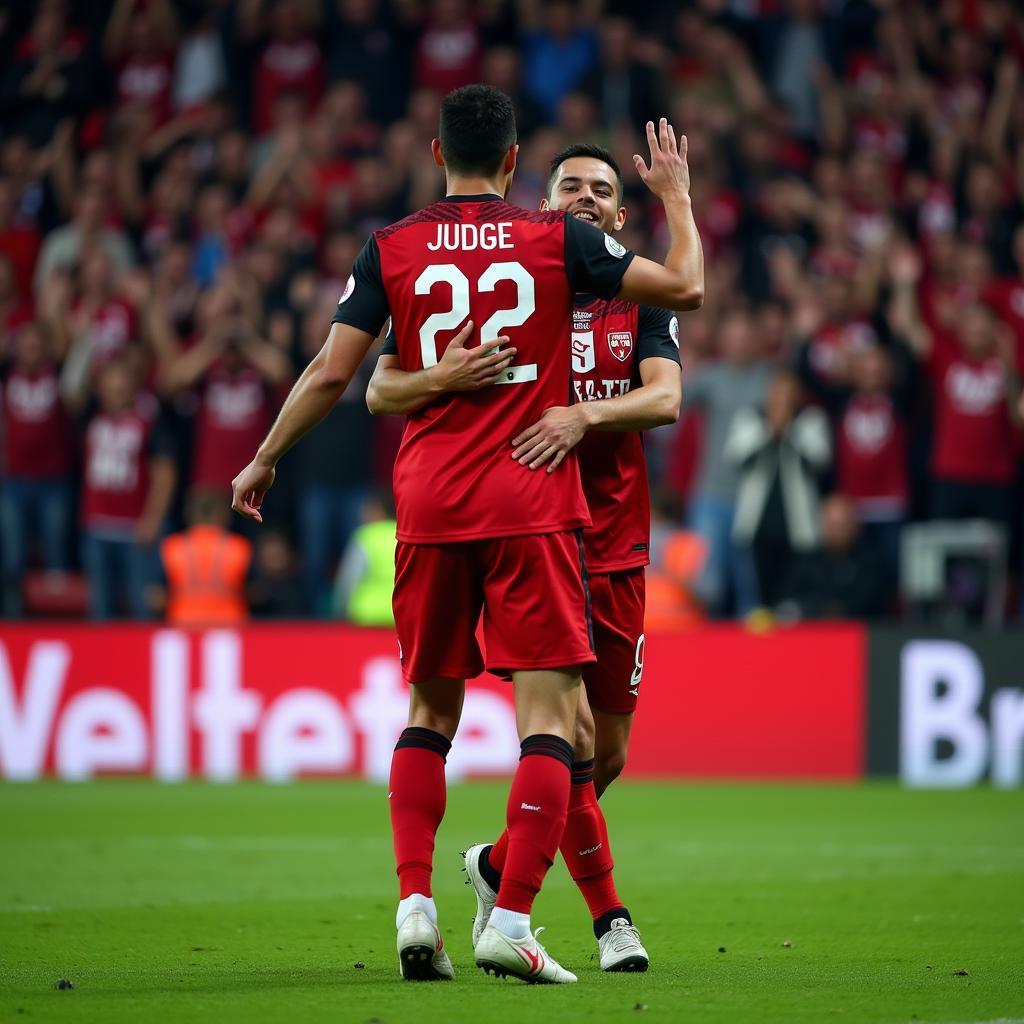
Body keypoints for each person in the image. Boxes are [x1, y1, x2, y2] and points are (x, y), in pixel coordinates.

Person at [230, 86, 702, 984]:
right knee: (552, 728)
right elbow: (686, 283)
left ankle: (416, 909)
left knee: (429, 715)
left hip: (432, 507)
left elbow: (342, 376)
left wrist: (265, 455)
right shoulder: (551, 242)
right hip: (531, 509)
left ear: (437, 153)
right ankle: (518, 916)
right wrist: (677, 199)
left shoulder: (392, 246)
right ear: (520, 164)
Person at [366, 141, 689, 972]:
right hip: (535, 531)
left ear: (620, 216)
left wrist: (584, 417)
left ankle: (497, 869)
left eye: (602, 191)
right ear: (539, 203)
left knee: (605, 751)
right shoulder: (530, 278)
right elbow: (384, 384)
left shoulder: (630, 300)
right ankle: (603, 917)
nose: (585, 198)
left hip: (613, 540)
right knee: (564, 725)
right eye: (570, 187)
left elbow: (667, 397)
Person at [726, 369, 831, 609]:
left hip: (799, 527)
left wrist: (789, 430)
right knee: (760, 595)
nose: (781, 399)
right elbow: (737, 456)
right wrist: (770, 431)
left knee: (792, 595)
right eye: (777, 393)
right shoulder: (751, 417)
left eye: (788, 393)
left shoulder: (811, 419)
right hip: (757, 526)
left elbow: (819, 459)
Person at [777, 493, 887, 620]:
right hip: (813, 631)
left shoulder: (871, 561)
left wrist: (839, 609)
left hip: (861, 631)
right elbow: (787, 598)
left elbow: (872, 601)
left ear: (854, 526)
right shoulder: (805, 560)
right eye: (830, 525)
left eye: (840, 526)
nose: (834, 532)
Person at [159, 487, 251, 627]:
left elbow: (156, 596)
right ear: (223, 515)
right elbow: (255, 591)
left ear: (189, 515)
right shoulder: (240, 547)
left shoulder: (171, 547)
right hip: (231, 625)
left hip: (182, 623)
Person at [332, 488, 398, 626]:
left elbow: (349, 579)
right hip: (398, 616)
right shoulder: (403, 536)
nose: (362, 514)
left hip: (366, 617)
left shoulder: (365, 536)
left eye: (367, 509)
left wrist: (339, 611)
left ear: (378, 510)